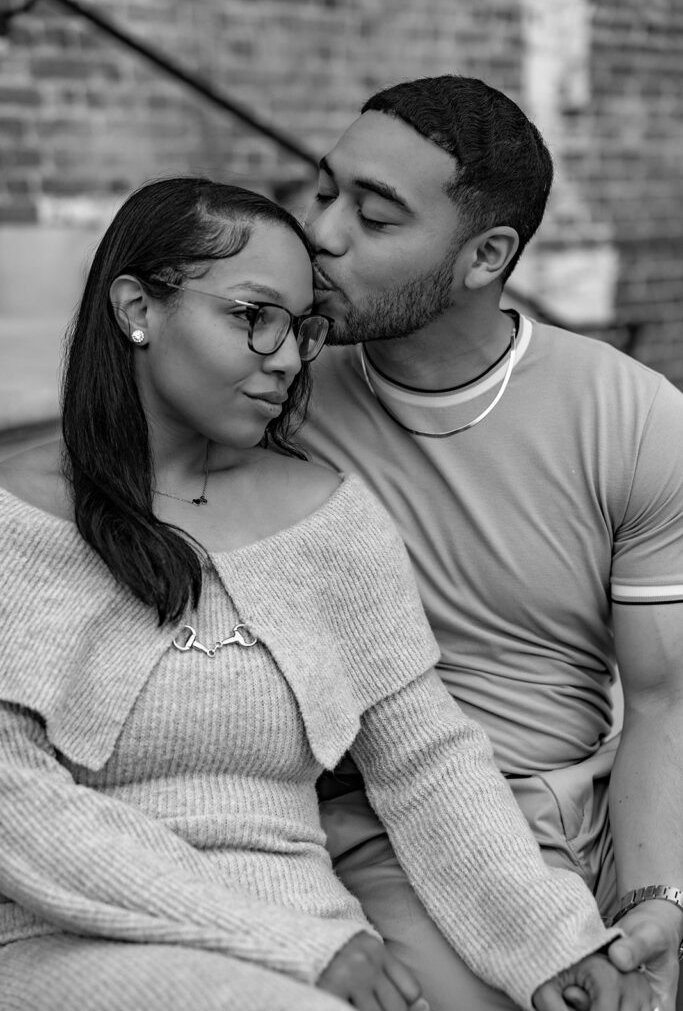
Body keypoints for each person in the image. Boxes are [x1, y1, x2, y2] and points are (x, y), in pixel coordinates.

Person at [0, 176, 651, 1011]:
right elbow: (15, 802)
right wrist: (288, 945)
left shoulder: (329, 519)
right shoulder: (17, 523)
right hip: (74, 941)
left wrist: (554, 947)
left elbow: (427, 764)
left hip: (321, 942)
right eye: (252, 316)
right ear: (137, 309)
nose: (284, 357)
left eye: (301, 327)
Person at [298, 74, 683, 1011]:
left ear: (486, 256)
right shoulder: (275, 403)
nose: (322, 233)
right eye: (323, 191)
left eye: (374, 216)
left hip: (599, 804)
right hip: (395, 818)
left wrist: (656, 900)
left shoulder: (632, 416)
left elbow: (661, 701)